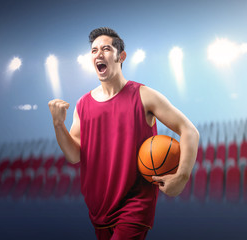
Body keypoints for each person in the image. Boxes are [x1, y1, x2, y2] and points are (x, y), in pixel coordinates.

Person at [48, 27, 199, 240]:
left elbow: (189, 130)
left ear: (121, 56)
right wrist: (58, 124)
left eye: (106, 49)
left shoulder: (144, 95)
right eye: (94, 50)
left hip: (135, 203)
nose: (98, 54)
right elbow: (74, 155)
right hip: (99, 206)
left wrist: (182, 176)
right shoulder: (83, 104)